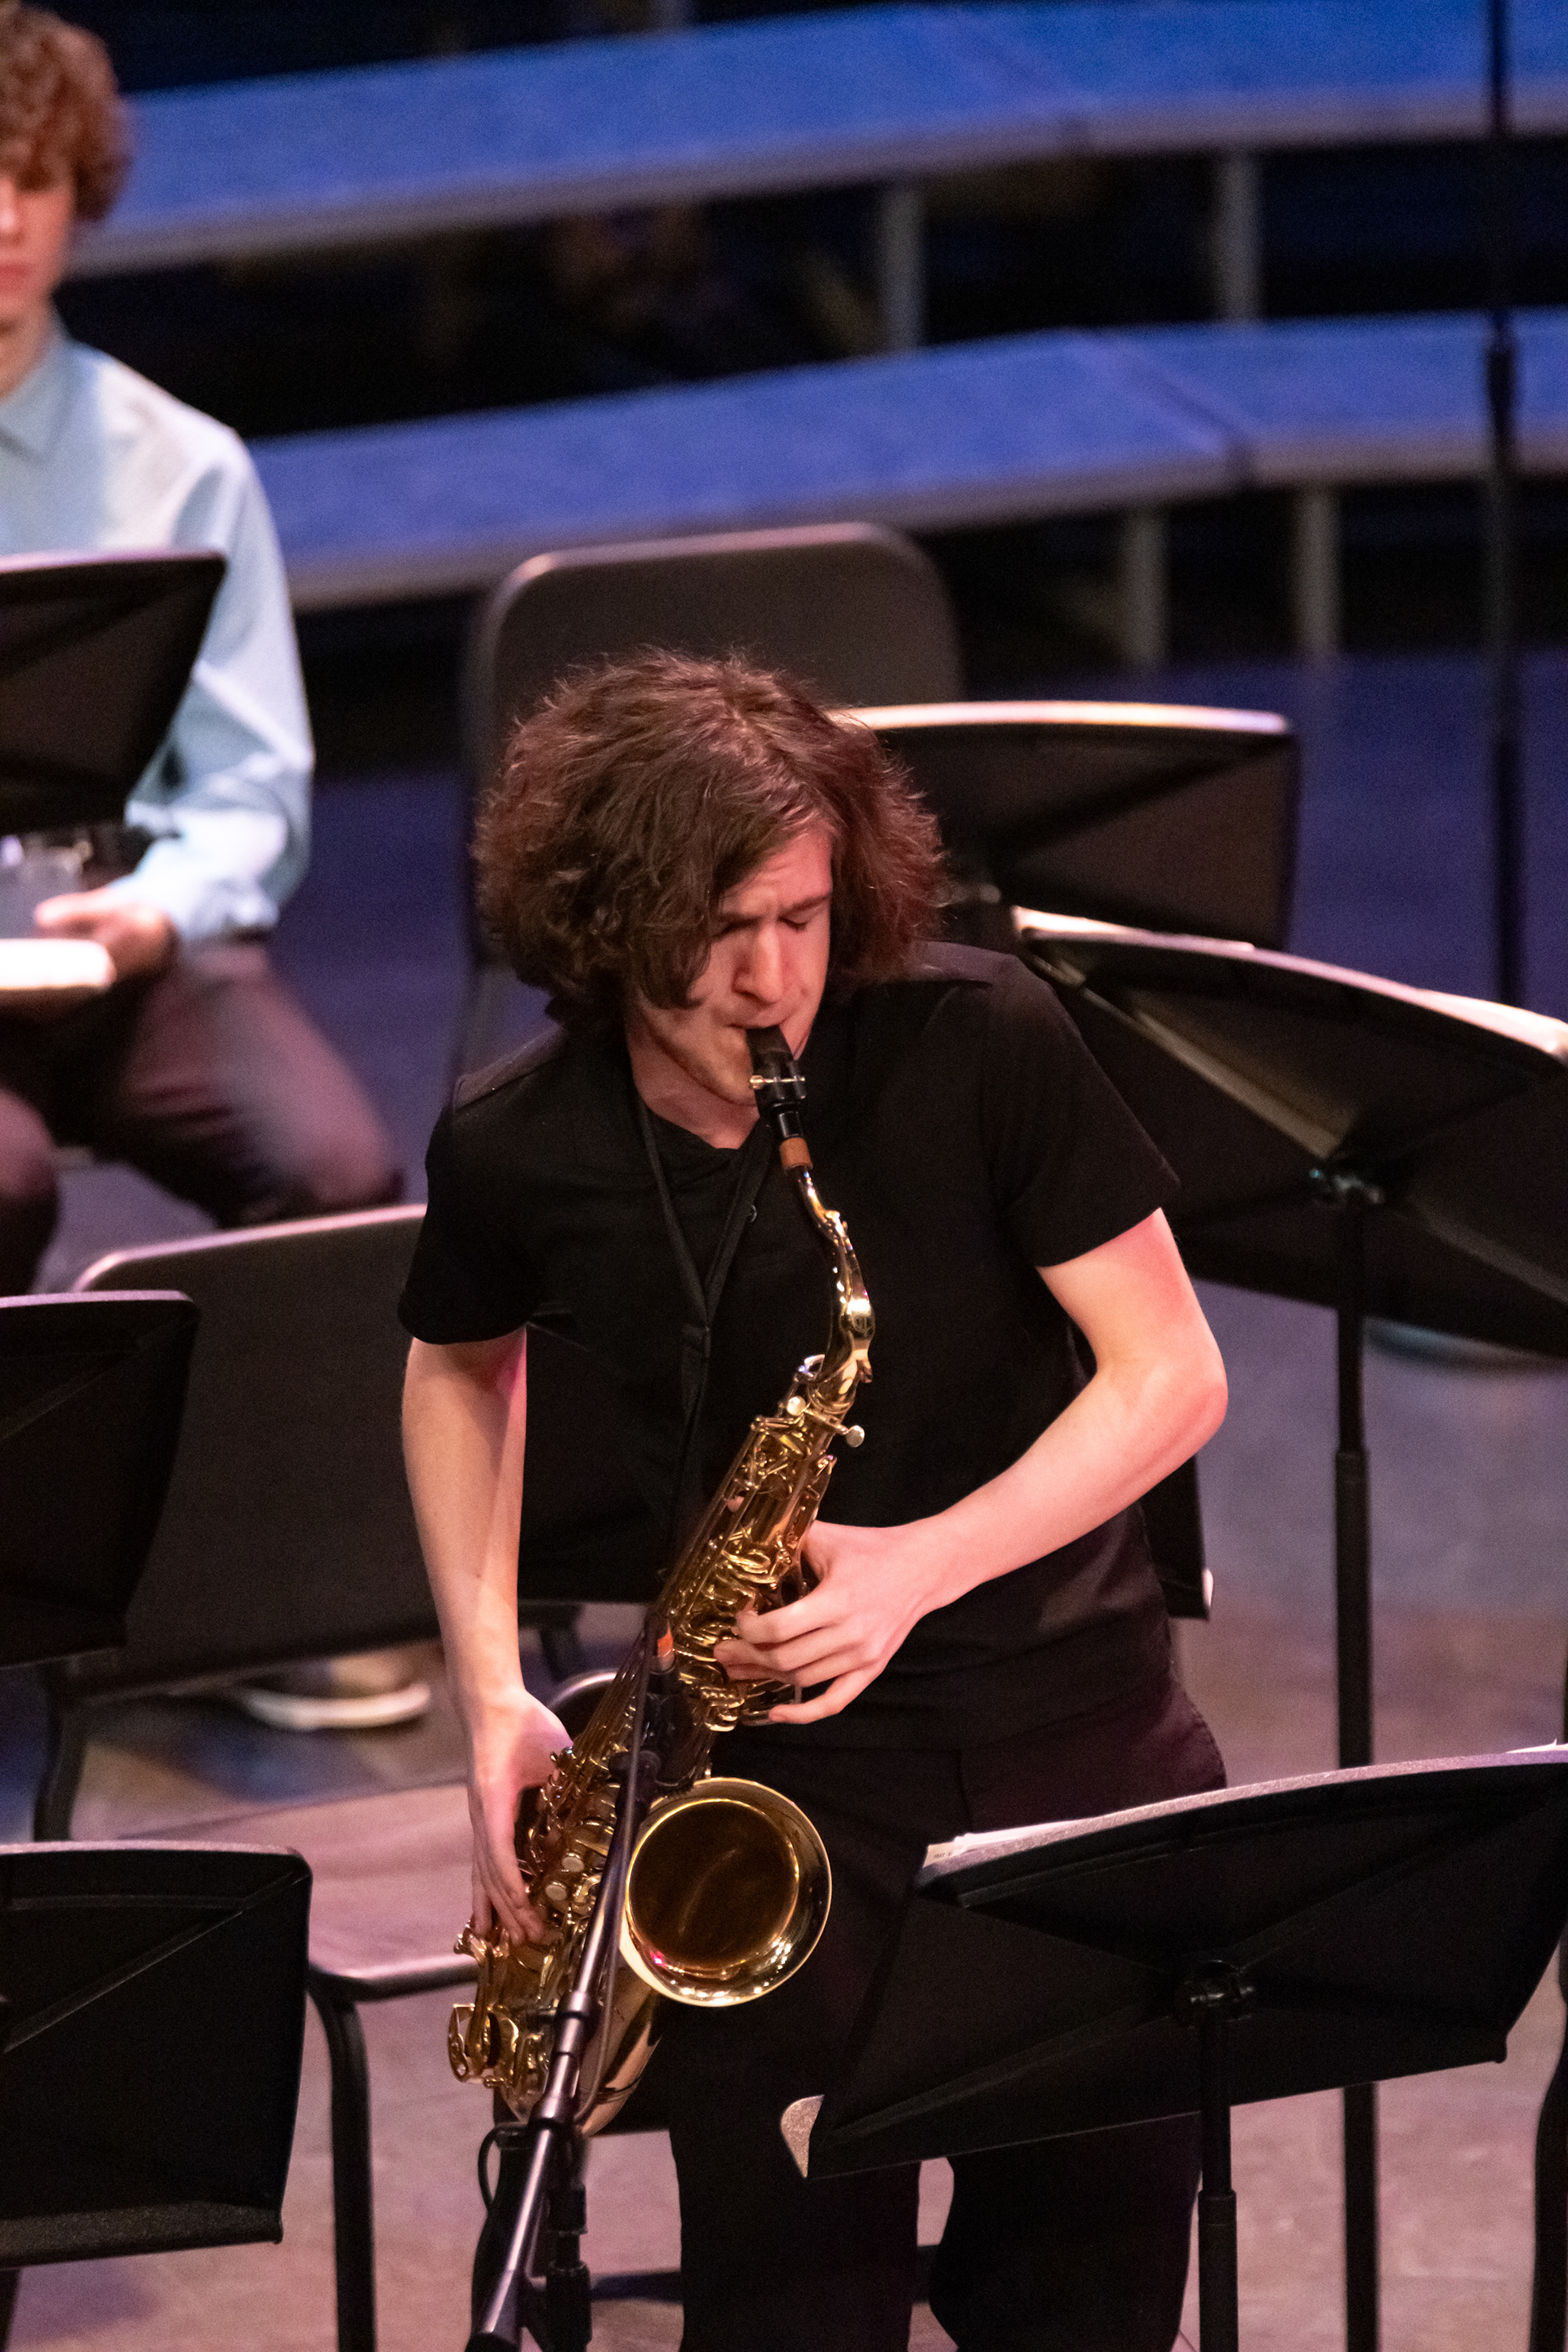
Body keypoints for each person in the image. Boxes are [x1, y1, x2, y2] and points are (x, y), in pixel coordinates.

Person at [399, 652, 1230, 2352]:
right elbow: (454, 1372)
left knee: (1085, 2301)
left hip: (1070, 1744)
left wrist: (920, 1565)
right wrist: (489, 1694)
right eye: (718, 931)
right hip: (769, 1784)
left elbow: (1173, 1373)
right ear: (603, 923)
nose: (773, 977)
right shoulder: (519, 1140)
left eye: (802, 915)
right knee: (790, 2315)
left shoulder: (975, 1036)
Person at [0, 1, 401, 1299]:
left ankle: (212, 1433)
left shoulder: (182, 465)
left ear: (80, 195)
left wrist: (157, 914)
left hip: (124, 938)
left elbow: (250, 787)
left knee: (334, 1175)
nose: (6, 220)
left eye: (35, 179)